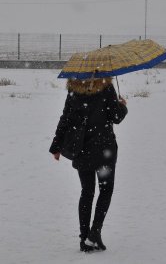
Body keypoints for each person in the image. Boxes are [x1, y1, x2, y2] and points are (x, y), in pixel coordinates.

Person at [49, 77, 127, 252]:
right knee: (105, 190)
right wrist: (122, 105)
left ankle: (85, 238)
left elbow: (65, 118)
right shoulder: (106, 87)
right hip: (104, 150)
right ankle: (94, 233)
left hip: (82, 149)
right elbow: (116, 116)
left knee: (87, 192)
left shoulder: (74, 89)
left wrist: (56, 146)